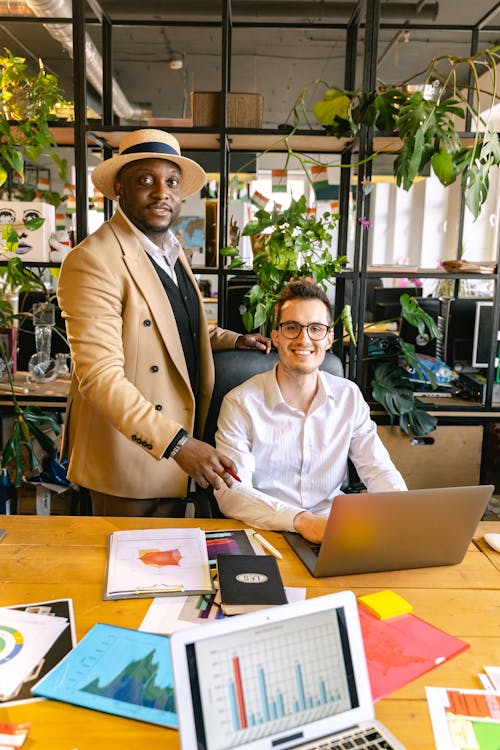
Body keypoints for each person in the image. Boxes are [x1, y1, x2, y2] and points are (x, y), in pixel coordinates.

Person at [57, 129, 270, 517]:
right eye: (146, 181)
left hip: (176, 446)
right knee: (131, 573)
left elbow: (169, 325)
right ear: (120, 187)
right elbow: (100, 378)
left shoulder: (169, 249)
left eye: (171, 182)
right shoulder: (93, 260)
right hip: (129, 458)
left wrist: (233, 340)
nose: (162, 193)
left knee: (165, 571)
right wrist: (178, 444)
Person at [214, 280, 407, 542]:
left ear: (329, 338)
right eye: (292, 327)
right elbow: (232, 492)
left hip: (334, 531)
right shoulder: (240, 403)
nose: (304, 339)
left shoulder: (348, 397)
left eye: (316, 329)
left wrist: (403, 513)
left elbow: (377, 469)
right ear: (276, 336)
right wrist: (303, 521)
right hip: (265, 530)